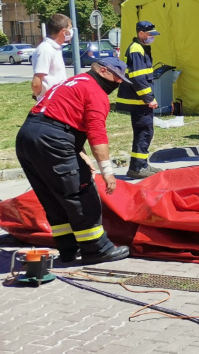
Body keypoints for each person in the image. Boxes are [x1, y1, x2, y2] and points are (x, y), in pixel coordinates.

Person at [15, 58, 132, 264]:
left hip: (28, 137)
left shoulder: (74, 82)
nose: (118, 83)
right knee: (80, 193)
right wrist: (107, 171)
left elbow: (64, 121)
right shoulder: (96, 93)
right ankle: (97, 249)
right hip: (52, 140)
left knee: (53, 198)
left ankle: (68, 249)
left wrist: (81, 154)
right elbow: (97, 134)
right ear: (103, 71)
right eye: (117, 77)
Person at [117, 21, 161, 179]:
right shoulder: (136, 49)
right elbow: (138, 77)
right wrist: (149, 98)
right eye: (150, 35)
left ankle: (141, 164)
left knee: (145, 132)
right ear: (141, 33)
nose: (152, 38)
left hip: (139, 99)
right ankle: (137, 168)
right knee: (144, 132)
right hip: (139, 100)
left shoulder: (141, 48)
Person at [31, 13, 72, 99]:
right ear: (64, 32)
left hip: (59, 98)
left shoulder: (56, 48)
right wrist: (42, 97)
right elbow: (36, 83)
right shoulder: (45, 50)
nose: (71, 32)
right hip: (50, 101)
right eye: (70, 28)